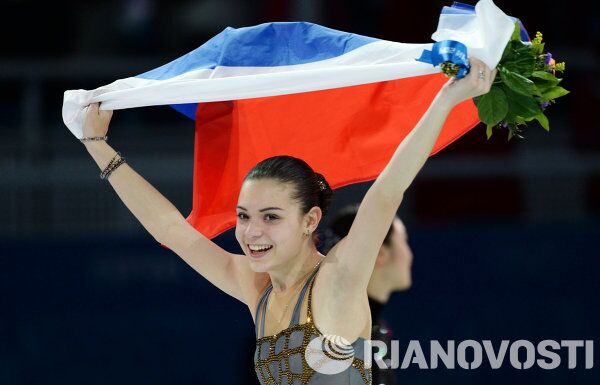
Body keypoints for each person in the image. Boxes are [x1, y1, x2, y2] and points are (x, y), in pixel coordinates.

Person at [78, 58, 496, 384]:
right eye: (244, 216)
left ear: (310, 219)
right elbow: (173, 230)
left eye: (270, 217)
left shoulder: (338, 280)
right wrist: (96, 144)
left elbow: (385, 194)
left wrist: (446, 99)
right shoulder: (255, 286)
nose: (251, 231)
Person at [328, 206, 413, 385]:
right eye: (404, 241)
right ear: (380, 254)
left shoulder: (374, 329)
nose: (409, 255)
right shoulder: (337, 336)